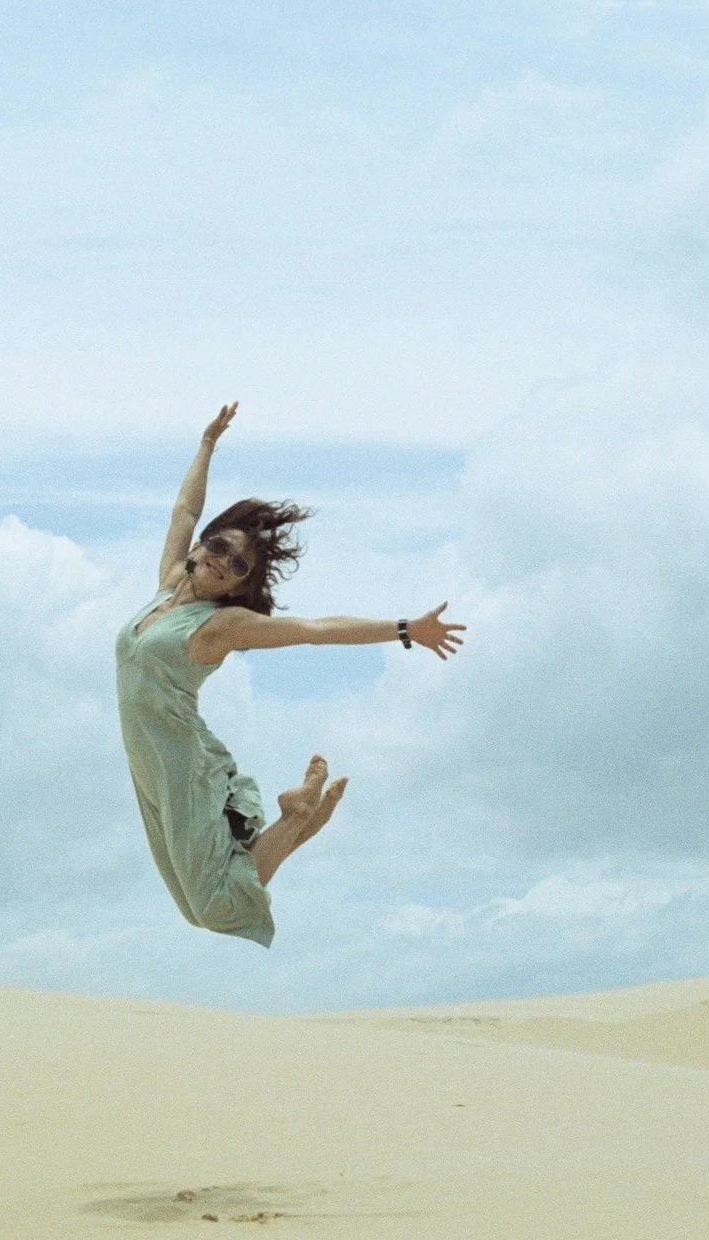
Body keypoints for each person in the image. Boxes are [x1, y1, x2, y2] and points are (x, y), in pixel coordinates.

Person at [115, 402, 466, 945]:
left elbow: (315, 628)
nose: (223, 561)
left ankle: (295, 818)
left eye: (238, 567)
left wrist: (404, 629)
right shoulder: (165, 587)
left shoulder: (222, 625)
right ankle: (298, 818)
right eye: (219, 546)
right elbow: (184, 510)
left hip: (182, 763)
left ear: (238, 588)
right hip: (148, 762)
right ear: (202, 545)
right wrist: (207, 443)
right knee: (194, 909)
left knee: (215, 905)